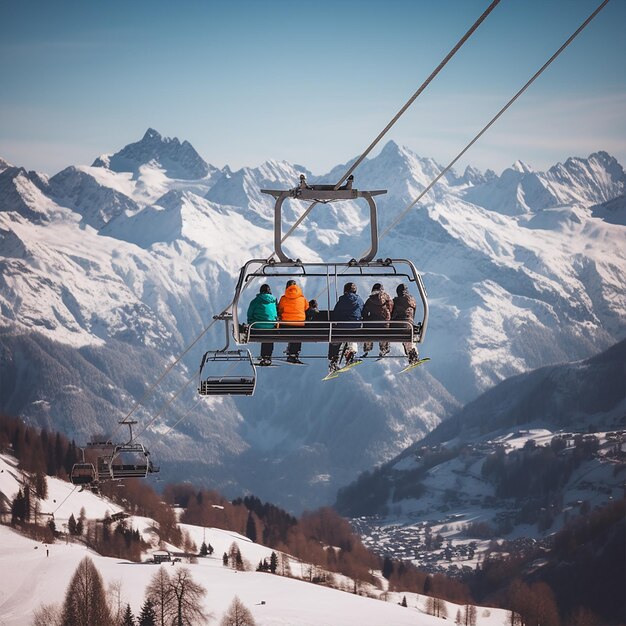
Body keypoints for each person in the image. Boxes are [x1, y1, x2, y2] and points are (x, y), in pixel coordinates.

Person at [328, 282, 364, 372]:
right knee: (353, 336)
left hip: (342, 326)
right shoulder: (359, 300)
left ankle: (334, 359)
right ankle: (351, 354)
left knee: (335, 337)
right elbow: (363, 311)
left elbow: (335, 314)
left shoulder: (342, 300)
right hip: (355, 326)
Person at [278, 279, 309, 364]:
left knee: (290, 330)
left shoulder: (283, 298)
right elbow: (306, 307)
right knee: (297, 334)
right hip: (299, 324)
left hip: (285, 325)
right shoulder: (302, 298)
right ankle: (294, 353)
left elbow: (280, 309)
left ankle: (291, 352)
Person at [246, 284, 278, 366]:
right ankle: (267, 357)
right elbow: (276, 313)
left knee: (263, 330)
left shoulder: (255, 301)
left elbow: (250, 314)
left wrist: (250, 323)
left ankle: (265, 357)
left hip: (257, 326)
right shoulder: (274, 301)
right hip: (271, 326)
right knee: (269, 333)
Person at [361, 282, 393, 358]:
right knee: (385, 331)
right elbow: (391, 309)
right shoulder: (388, 299)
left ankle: (367, 348)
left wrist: (366, 321)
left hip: (371, 327)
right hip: (384, 326)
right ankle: (384, 348)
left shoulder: (369, 300)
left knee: (368, 329)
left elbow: (364, 313)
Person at [392, 283, 420, 365]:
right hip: (408, 326)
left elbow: (392, 313)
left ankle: (411, 353)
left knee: (404, 332)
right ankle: (412, 352)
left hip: (395, 327)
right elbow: (413, 314)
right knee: (409, 334)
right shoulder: (412, 301)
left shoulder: (395, 301)